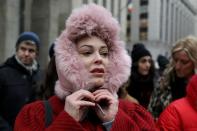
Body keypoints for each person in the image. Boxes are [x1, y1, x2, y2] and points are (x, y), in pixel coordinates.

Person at [14, 4, 156, 131]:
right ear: (68, 60)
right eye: (87, 52)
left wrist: (113, 122)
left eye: (104, 53)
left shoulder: (132, 112)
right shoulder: (35, 114)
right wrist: (67, 121)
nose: (99, 59)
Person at [0, 32, 42, 129]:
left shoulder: (41, 76)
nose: (26, 54)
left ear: (37, 54)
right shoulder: (3, 73)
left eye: (31, 50)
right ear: (17, 50)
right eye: (23, 49)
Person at [148, 35, 197, 119]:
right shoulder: (164, 83)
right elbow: (150, 115)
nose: (177, 66)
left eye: (184, 62)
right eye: (175, 60)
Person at [127, 43, 156, 108]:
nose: (148, 65)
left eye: (149, 61)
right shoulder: (127, 84)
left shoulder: (154, 81)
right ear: (135, 64)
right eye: (143, 61)